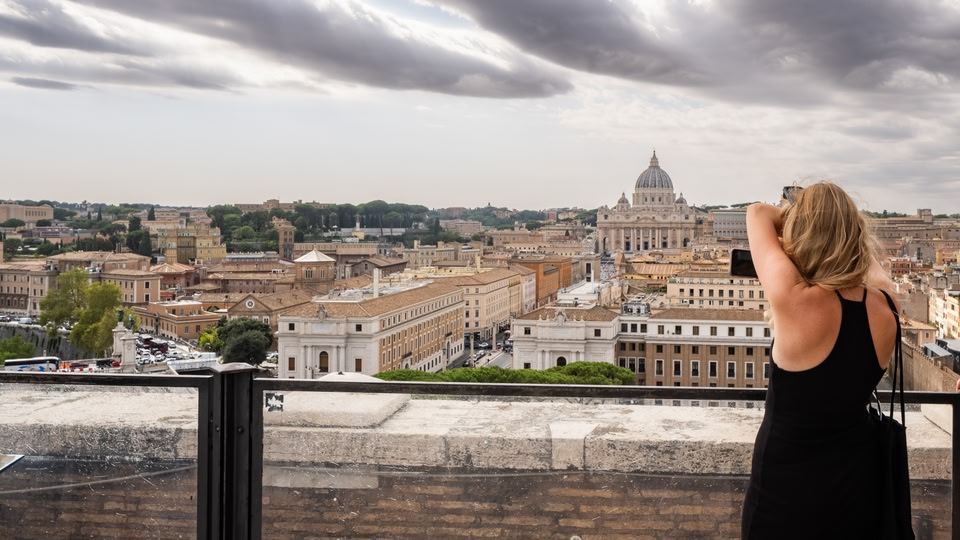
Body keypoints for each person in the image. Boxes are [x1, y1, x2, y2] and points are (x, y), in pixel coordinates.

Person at [741, 181, 900, 539]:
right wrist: (835, 223)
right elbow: (868, 266)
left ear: (802, 231)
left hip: (784, 492)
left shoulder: (795, 300)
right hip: (858, 487)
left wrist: (795, 214)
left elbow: (756, 213)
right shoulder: (888, 305)